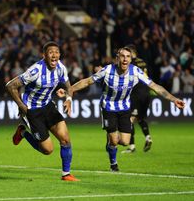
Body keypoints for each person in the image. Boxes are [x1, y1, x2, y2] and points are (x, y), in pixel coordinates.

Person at [57, 46, 185, 171]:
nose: (125, 59)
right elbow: (87, 81)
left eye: (128, 57)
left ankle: (111, 144)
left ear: (131, 59)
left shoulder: (135, 72)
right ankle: (113, 163)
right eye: (122, 56)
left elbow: (155, 86)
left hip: (124, 108)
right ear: (117, 58)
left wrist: (174, 99)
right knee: (113, 140)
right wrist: (70, 90)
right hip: (108, 107)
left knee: (124, 141)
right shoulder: (107, 71)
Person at [5, 41, 79, 181]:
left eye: (56, 52)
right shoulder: (35, 71)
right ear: (44, 55)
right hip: (32, 110)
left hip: (48, 106)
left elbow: (69, 86)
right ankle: (22, 132)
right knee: (47, 150)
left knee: (65, 139)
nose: (54, 55)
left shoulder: (61, 68)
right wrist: (21, 106)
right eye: (50, 52)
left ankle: (66, 174)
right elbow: (10, 86)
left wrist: (68, 99)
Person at [121, 45, 152, 153]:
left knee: (130, 119)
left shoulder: (131, 64)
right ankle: (148, 137)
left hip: (136, 93)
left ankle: (132, 146)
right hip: (147, 93)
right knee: (141, 118)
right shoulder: (143, 62)